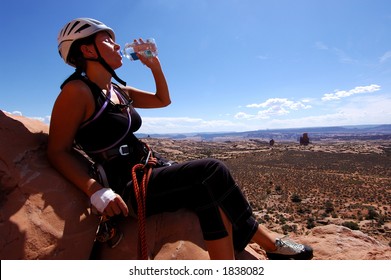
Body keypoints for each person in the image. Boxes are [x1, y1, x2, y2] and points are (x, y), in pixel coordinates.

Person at [48, 17, 313, 260]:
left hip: (150, 169)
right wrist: (96, 191)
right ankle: (270, 244)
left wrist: (154, 65)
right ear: (87, 50)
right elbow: (57, 151)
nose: (118, 46)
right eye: (107, 40)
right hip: (128, 184)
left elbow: (163, 100)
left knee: (205, 191)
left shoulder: (117, 90)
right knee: (212, 170)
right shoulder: (77, 92)